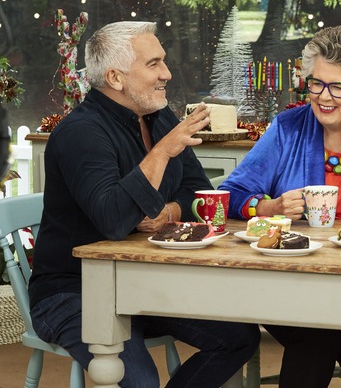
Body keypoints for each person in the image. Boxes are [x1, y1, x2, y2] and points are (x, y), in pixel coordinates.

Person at [28, 21, 260, 387]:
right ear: (116, 77)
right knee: (139, 379)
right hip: (74, 290)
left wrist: (167, 212)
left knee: (238, 338)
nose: (166, 73)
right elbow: (115, 221)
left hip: (144, 282)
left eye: (163, 61)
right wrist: (164, 151)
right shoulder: (80, 133)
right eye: (153, 64)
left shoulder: (159, 117)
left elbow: (198, 192)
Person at [220, 25, 341, 388]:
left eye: (339, 87)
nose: (324, 97)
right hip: (292, 279)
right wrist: (267, 206)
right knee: (315, 336)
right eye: (316, 83)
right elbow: (232, 193)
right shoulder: (287, 127)